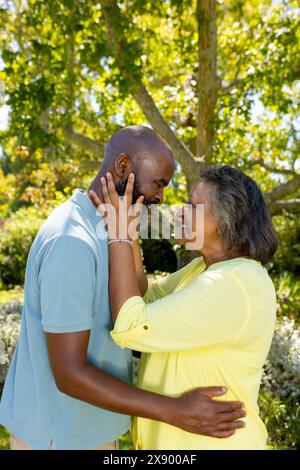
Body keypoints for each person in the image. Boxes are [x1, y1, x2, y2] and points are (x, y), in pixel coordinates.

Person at [0, 127, 245, 450]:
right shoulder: (72, 241)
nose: (161, 198)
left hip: (93, 430)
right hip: (58, 437)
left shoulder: (111, 226)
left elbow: (137, 294)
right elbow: (69, 373)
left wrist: (127, 235)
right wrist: (175, 411)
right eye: (159, 183)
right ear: (122, 166)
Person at [90, 164, 278, 450]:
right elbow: (144, 297)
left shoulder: (233, 284)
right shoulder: (203, 269)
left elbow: (130, 324)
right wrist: (129, 235)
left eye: (192, 206)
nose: (180, 212)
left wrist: (117, 234)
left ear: (226, 220)